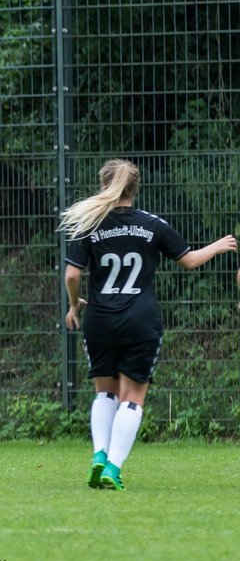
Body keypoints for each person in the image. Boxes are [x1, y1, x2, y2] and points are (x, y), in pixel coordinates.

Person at [62, 159, 235, 490]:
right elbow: (188, 261)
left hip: (100, 319)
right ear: (135, 189)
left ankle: (99, 455)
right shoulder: (153, 224)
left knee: (105, 392)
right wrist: (216, 246)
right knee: (132, 397)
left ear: (104, 186)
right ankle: (113, 468)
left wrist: (74, 305)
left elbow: (72, 275)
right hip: (141, 321)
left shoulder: (89, 224)